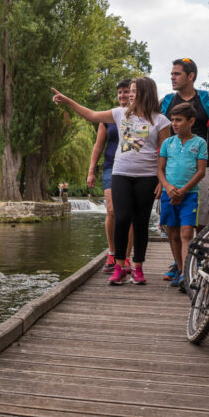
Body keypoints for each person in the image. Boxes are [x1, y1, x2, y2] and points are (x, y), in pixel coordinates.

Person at [53, 76, 171, 285]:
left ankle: (138, 268)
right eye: (129, 90)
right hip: (121, 175)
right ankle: (119, 267)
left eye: (134, 90)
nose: (130, 94)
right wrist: (68, 100)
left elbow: (165, 154)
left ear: (145, 92)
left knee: (141, 222)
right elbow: (90, 114)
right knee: (122, 217)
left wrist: (162, 181)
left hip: (147, 177)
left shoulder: (161, 121)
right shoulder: (119, 114)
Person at [160, 58, 209, 229]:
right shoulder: (165, 102)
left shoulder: (208, 99)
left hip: (203, 169)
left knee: (203, 219)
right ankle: (180, 257)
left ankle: (199, 256)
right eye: (171, 74)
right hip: (173, 170)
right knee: (173, 224)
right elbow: (157, 137)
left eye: (177, 74)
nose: (172, 77)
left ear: (191, 76)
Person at [157, 103, 208, 289]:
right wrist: (168, 187)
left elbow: (201, 171)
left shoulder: (200, 143)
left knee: (186, 232)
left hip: (189, 195)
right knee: (173, 234)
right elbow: (160, 170)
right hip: (168, 194)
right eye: (172, 120)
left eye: (179, 120)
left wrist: (184, 190)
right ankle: (179, 268)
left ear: (191, 121)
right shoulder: (167, 143)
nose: (174, 124)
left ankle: (187, 274)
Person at [87, 79, 134, 273]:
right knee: (112, 211)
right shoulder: (108, 117)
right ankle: (113, 253)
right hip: (109, 167)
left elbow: (134, 147)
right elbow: (98, 146)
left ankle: (127, 257)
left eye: (126, 92)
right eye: (120, 92)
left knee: (128, 214)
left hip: (130, 168)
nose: (123, 96)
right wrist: (91, 170)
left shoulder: (137, 117)